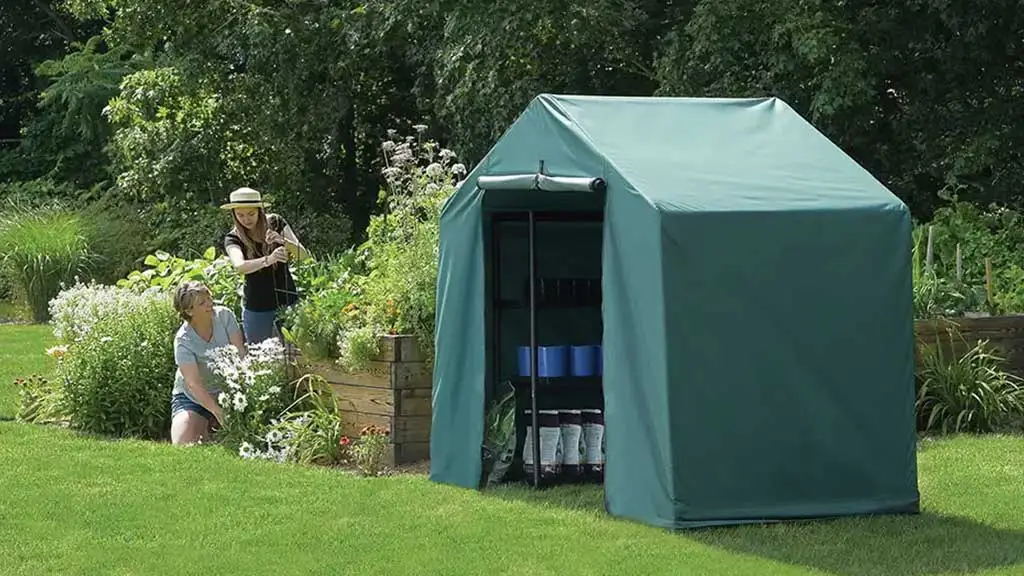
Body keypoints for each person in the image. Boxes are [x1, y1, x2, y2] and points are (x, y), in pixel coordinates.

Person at [220, 187, 308, 343]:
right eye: (240, 215)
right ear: (234, 215)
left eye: (251, 214)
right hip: (257, 307)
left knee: (298, 349)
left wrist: (283, 242)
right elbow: (240, 266)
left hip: (288, 300)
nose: (246, 219)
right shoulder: (233, 237)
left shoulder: (276, 222)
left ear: (260, 211)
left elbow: (304, 255)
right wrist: (270, 259)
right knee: (260, 355)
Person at [170, 280, 246, 446]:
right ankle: (207, 425)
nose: (210, 304)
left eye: (209, 299)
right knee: (182, 444)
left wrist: (242, 388)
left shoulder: (225, 316)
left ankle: (209, 429)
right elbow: (193, 384)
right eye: (202, 303)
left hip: (228, 393)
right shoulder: (184, 341)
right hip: (193, 398)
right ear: (189, 311)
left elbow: (240, 353)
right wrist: (218, 412)